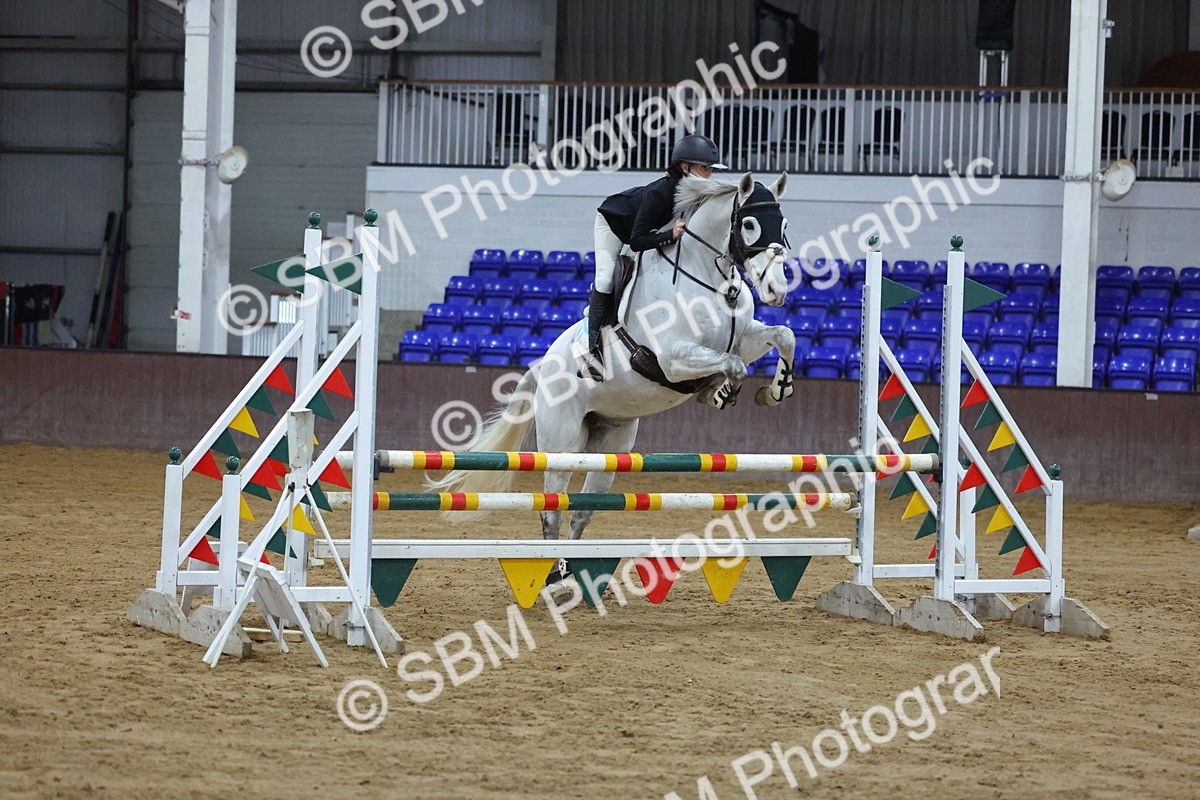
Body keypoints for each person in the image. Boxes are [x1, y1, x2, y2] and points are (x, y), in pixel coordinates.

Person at [584, 134, 727, 379]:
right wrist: (670, 235)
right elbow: (637, 241)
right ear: (685, 167)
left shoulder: (695, 193)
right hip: (614, 225)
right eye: (705, 168)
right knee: (606, 279)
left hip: (647, 229)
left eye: (710, 169)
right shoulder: (660, 193)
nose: (709, 174)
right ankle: (593, 353)